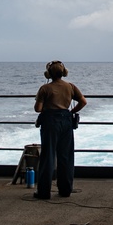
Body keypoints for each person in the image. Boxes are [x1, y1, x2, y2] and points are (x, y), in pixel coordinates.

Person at [33, 60, 86, 199]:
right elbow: (83, 102)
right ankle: (65, 190)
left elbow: (38, 109)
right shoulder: (70, 86)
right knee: (66, 156)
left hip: (50, 122)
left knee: (48, 156)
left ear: (48, 74)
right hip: (66, 121)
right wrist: (71, 111)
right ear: (64, 73)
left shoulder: (45, 89)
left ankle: (44, 192)